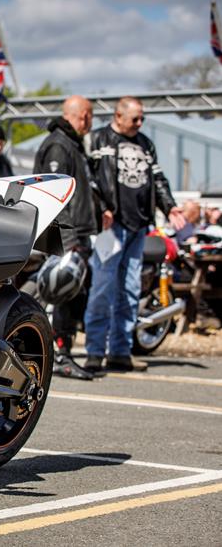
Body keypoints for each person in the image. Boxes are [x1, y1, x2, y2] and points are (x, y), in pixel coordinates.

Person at [84, 96, 186, 372]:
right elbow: (89, 179)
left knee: (130, 290)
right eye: (135, 118)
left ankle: (120, 352)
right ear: (118, 116)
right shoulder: (98, 140)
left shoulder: (145, 143)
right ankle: (94, 352)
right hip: (110, 226)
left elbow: (159, 179)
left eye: (142, 118)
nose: (140, 123)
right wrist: (102, 208)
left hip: (139, 226)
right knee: (102, 288)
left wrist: (170, 206)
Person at [33, 95, 100, 380]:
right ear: (82, 115)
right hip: (66, 238)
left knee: (72, 299)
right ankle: (59, 355)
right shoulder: (59, 145)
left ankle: (65, 353)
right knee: (63, 295)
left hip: (77, 236)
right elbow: (54, 193)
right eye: (90, 116)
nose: (90, 122)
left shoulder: (72, 145)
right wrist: (69, 239)